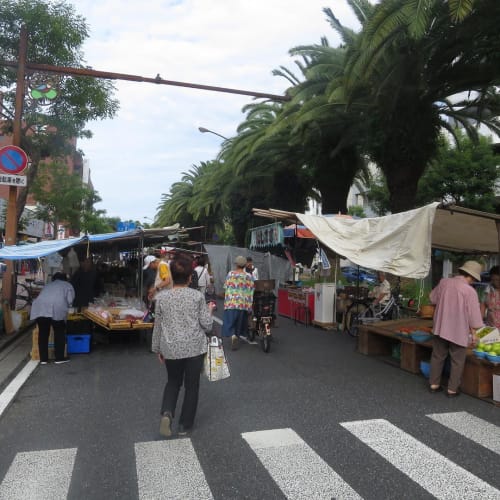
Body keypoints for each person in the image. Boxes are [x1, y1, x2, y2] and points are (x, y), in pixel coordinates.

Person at [151, 255, 216, 437]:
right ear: (190, 277)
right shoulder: (197, 296)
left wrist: (157, 348)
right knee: (192, 386)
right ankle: (184, 426)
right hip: (195, 348)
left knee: (173, 382)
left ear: (171, 274)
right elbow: (207, 325)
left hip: (170, 347)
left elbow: (158, 326)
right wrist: (210, 310)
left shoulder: (162, 298)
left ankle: (167, 413)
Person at [429, 260, 484, 397]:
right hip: (458, 330)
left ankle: (434, 385)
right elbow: (474, 317)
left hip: (441, 326)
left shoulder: (444, 282)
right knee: (457, 361)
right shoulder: (469, 291)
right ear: (471, 276)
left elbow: (432, 299)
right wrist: (475, 332)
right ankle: (452, 389)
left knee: (437, 356)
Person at [30, 272, 75, 365]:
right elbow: (70, 300)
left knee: (43, 333)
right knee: (59, 332)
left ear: (53, 279)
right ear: (65, 279)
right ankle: (59, 358)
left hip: (40, 308)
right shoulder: (67, 285)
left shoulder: (48, 285)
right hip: (57, 309)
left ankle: (43, 359)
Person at [222, 255, 255, 351]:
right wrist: (250, 306)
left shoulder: (231, 274)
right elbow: (251, 290)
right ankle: (236, 335)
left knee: (230, 322)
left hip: (231, 303)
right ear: (245, 265)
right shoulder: (248, 276)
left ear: (236, 264)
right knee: (239, 323)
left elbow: (226, 287)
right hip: (242, 303)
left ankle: (232, 335)